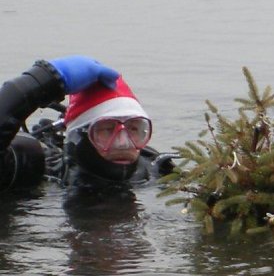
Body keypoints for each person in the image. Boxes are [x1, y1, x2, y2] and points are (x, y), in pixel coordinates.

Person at [0, 55, 171, 192]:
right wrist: (42, 79)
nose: (123, 143)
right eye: (107, 129)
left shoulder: (158, 172)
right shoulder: (36, 173)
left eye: (135, 128)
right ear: (78, 135)